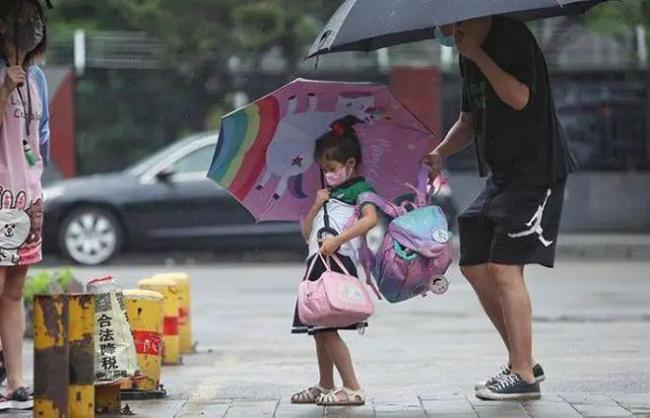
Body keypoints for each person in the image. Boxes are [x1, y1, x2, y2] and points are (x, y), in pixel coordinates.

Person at [425, 16, 576, 401]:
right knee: (473, 259)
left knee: (505, 266)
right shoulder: (466, 56)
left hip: (537, 170)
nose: (449, 31)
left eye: (454, 23)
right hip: (502, 175)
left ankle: (523, 373)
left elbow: (519, 97)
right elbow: (468, 120)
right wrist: (440, 152)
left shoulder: (511, 37)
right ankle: (520, 363)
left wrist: (477, 53)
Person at [290, 116, 378, 407]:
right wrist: (316, 205)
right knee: (317, 329)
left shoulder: (359, 188)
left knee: (326, 329)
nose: (327, 174)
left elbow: (371, 219)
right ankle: (325, 383)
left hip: (337, 262)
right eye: (323, 169)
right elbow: (306, 234)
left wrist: (338, 241)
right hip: (316, 264)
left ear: (350, 164)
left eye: (332, 168)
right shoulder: (327, 195)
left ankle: (352, 387)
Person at [0, 0, 49, 406]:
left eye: (33, 19)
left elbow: (41, 137)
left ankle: (15, 381)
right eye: (18, 19)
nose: (27, 25)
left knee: (15, 289)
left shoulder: (39, 79)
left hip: (28, 197)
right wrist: (4, 90)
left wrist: (35, 175)